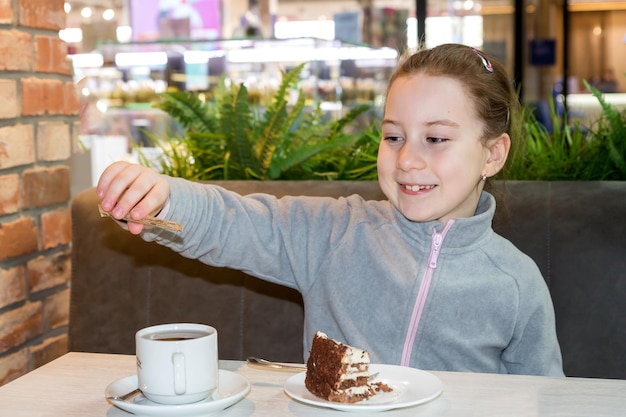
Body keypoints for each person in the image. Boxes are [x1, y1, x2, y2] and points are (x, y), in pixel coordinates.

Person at [97, 44, 564, 376]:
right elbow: (234, 222)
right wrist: (161, 196)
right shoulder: (335, 232)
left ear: (493, 154)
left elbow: (546, 402)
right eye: (393, 136)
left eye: (436, 138)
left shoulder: (517, 283)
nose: (407, 159)